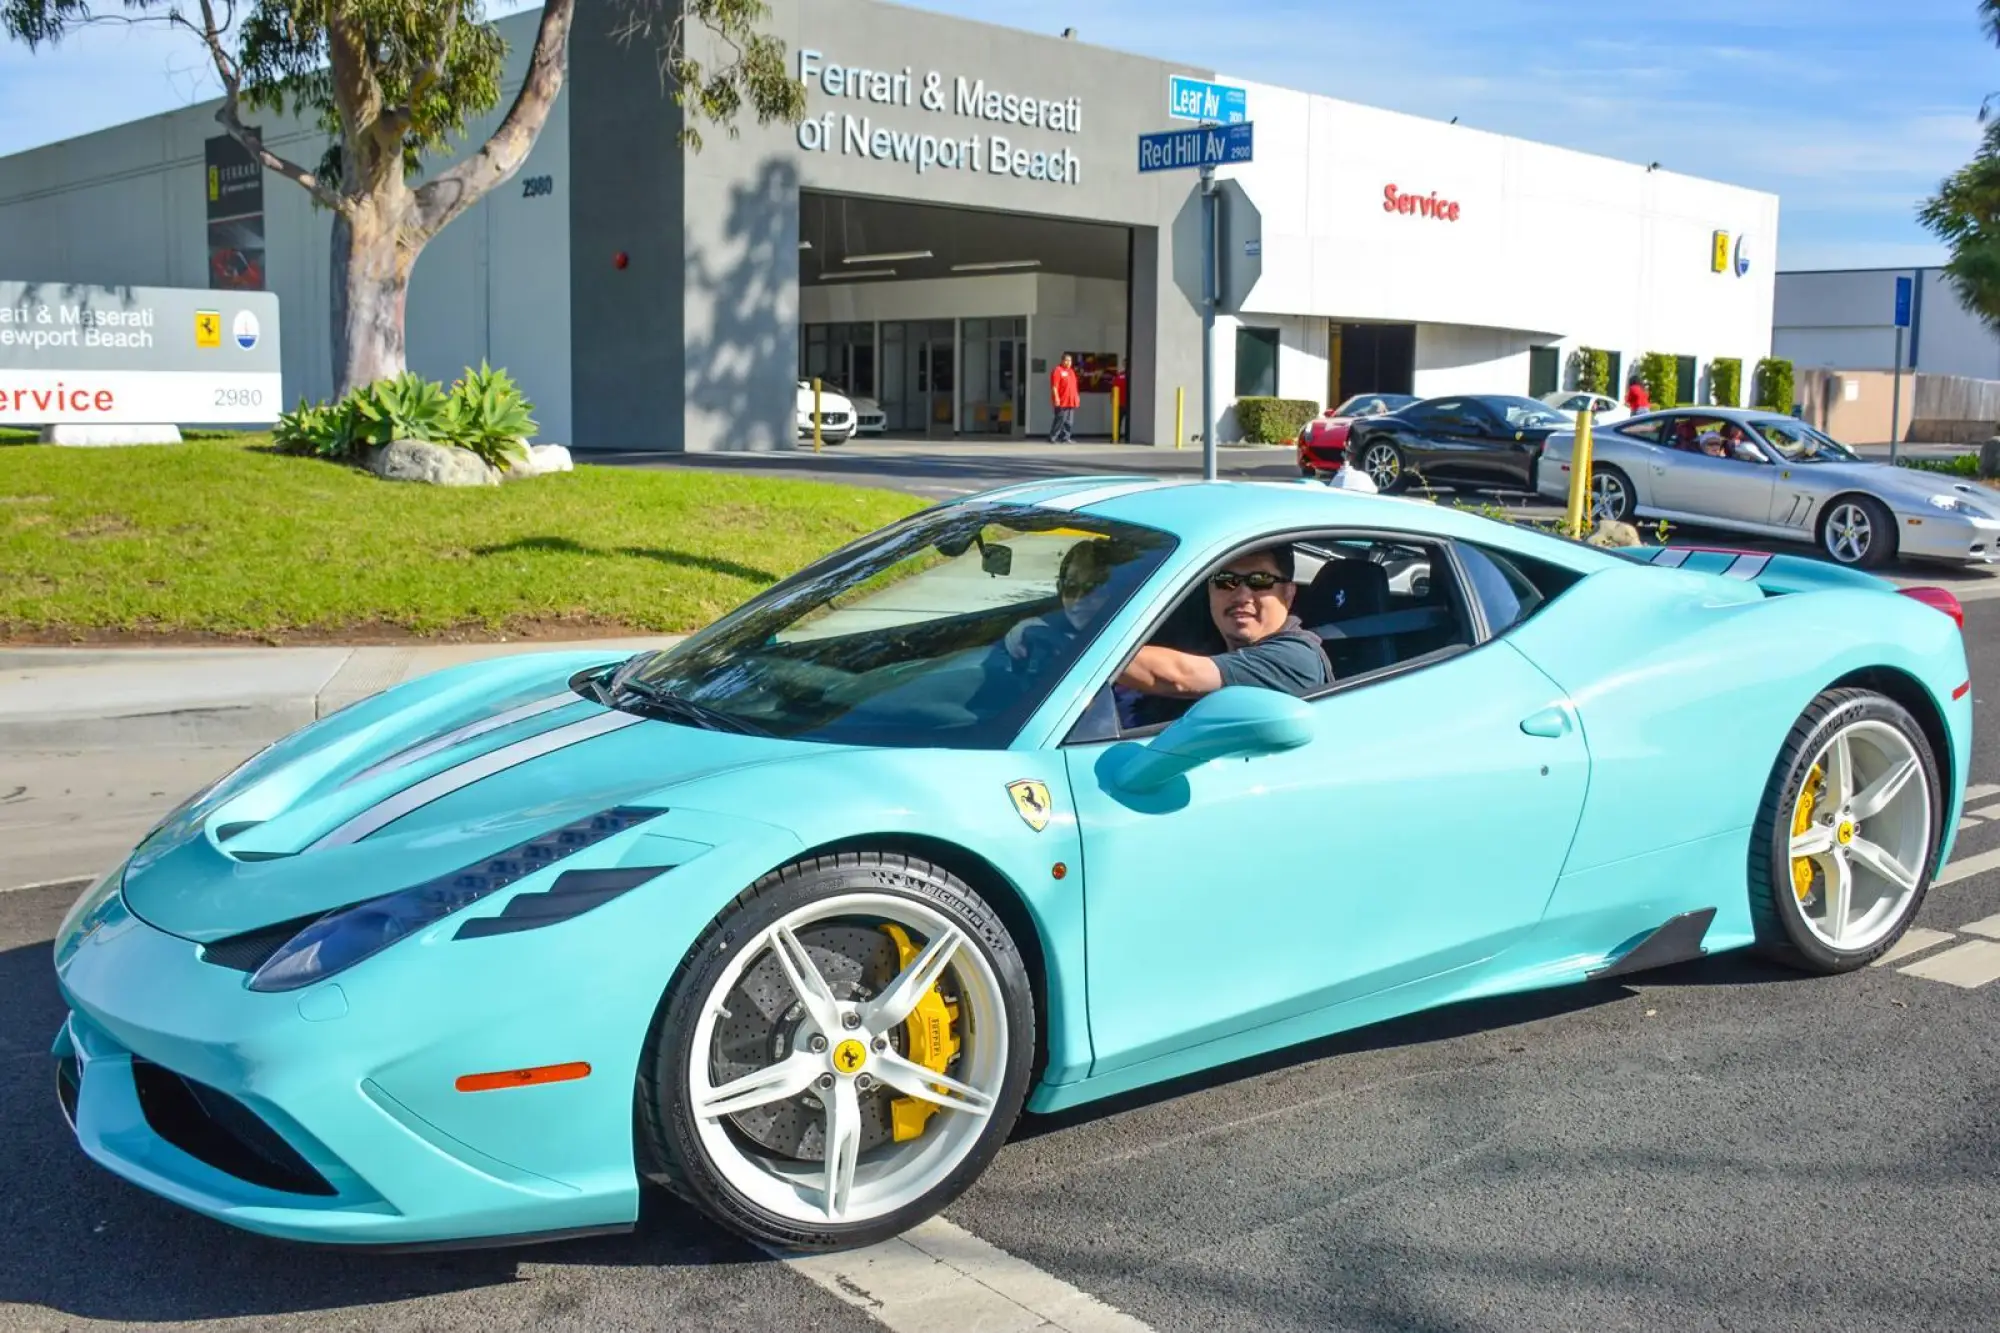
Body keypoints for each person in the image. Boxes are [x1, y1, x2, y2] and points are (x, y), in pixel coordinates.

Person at [1115, 546, 1332, 727]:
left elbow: (1179, 676)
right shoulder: (1209, 641)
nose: (1241, 595)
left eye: (1260, 580)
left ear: (1288, 594)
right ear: (1209, 590)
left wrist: (1090, 655)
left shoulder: (1296, 658)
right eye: (1226, 579)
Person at [1049, 353, 1080, 443]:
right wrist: (1056, 398)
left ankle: (1065, 437)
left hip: (1071, 400)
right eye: (1066, 360)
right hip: (1062, 400)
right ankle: (1053, 437)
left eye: (1070, 361)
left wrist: (1077, 397)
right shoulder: (1057, 370)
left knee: (1069, 421)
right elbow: (1054, 386)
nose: (1068, 362)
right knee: (1060, 419)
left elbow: (1074, 386)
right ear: (1062, 361)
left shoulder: (1071, 372)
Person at [1111, 359, 1129, 439]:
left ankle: (1128, 437)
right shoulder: (1119, 375)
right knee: (1117, 421)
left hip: (1130, 403)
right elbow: (1113, 387)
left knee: (1129, 422)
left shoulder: (1134, 375)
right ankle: (1116, 437)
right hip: (1119, 403)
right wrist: (1112, 398)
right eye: (1124, 363)